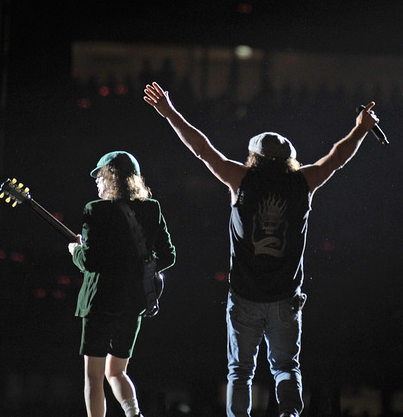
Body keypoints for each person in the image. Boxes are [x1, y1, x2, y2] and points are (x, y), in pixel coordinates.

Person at [143, 82, 379, 417]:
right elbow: (337, 158)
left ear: (254, 157)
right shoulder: (304, 183)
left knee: (240, 373)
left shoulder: (239, 179)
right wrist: (361, 130)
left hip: (245, 298)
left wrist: (168, 112)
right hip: (285, 298)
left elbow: (201, 148)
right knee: (286, 368)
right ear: (290, 160)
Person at [68, 150, 176, 417]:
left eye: (100, 176)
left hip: (100, 304)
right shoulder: (152, 209)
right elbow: (168, 255)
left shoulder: (95, 210)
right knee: (117, 371)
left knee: (94, 377)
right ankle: (133, 414)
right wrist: (138, 270)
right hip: (133, 303)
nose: (96, 182)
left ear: (111, 177)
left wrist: (75, 251)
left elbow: (90, 261)